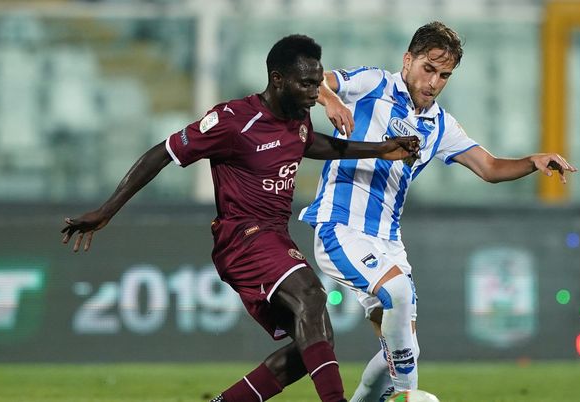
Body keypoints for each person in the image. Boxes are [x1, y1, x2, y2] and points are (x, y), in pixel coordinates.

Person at [61, 34, 420, 402]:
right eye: (307, 83)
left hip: (274, 236)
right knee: (312, 296)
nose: (316, 92)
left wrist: (380, 149)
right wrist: (107, 210)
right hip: (243, 236)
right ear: (277, 79)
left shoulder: (297, 116)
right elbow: (162, 152)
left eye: (317, 82)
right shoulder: (233, 120)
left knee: (312, 344)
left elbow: (309, 143)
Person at [299, 21, 577, 401]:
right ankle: (407, 395)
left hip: (388, 242)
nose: (434, 81)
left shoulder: (440, 125)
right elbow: (316, 79)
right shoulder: (373, 84)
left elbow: (490, 168)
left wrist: (533, 160)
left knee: (403, 350)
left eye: (444, 75)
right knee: (396, 292)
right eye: (428, 69)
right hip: (340, 226)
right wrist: (330, 98)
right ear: (408, 59)